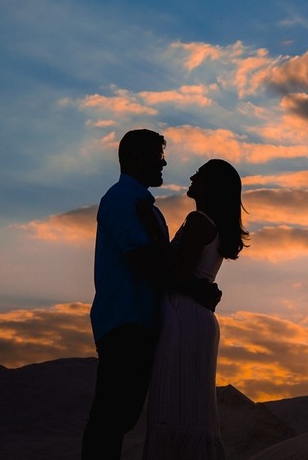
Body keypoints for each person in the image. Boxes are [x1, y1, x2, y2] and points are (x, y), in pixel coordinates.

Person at [82, 129, 221, 460]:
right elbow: (141, 259)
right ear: (134, 158)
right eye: (158, 156)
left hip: (143, 321)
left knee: (122, 416)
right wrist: (194, 288)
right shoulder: (122, 200)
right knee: (111, 418)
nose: (165, 163)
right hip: (125, 319)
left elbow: (162, 262)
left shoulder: (147, 208)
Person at [142, 159, 249, 460]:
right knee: (190, 407)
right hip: (197, 318)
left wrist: (154, 234)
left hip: (183, 317)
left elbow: (178, 272)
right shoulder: (213, 226)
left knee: (173, 405)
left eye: (199, 175)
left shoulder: (199, 221)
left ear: (211, 186)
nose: (191, 176)